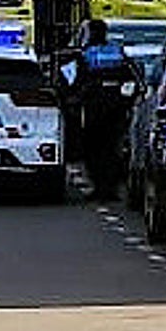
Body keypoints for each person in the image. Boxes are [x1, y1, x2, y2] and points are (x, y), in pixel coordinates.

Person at [66, 18, 142, 202]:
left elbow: (75, 81)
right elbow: (132, 77)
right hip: (116, 110)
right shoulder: (116, 52)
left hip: (94, 109)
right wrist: (126, 101)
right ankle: (111, 188)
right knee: (112, 149)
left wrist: (73, 99)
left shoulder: (86, 54)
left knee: (93, 150)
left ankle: (99, 187)